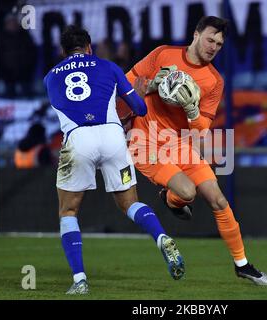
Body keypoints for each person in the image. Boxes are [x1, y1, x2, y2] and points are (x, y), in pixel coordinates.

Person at [125, 16, 267, 285]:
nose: (214, 46)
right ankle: (172, 199)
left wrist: (192, 110)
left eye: (219, 43)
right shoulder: (163, 54)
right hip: (144, 142)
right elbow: (126, 85)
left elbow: (201, 129)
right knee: (187, 192)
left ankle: (242, 265)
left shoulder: (214, 81)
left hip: (180, 143)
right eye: (210, 39)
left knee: (217, 199)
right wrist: (150, 86)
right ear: (196, 34)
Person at [44, 25, 185, 295]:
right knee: (130, 204)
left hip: (77, 139)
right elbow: (140, 110)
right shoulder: (108, 67)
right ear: (89, 48)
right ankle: (162, 237)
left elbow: (68, 106)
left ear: (63, 52)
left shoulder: (50, 78)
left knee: (69, 211)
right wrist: (141, 94)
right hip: (112, 136)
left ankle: (80, 280)